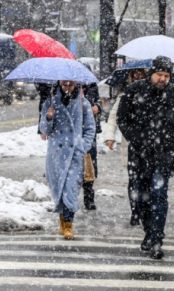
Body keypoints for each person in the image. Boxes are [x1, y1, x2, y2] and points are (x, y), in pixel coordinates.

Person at [117, 56, 174, 260]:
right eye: (160, 75)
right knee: (139, 196)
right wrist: (137, 138)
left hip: (163, 155)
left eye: (167, 76)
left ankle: (157, 239)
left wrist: (170, 145)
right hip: (139, 155)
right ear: (152, 73)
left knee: (159, 195)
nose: (163, 79)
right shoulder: (134, 91)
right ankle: (148, 231)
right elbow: (123, 118)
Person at [39, 80, 95, 240]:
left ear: (77, 85)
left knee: (70, 188)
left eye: (71, 85)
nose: (67, 88)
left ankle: (69, 224)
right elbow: (44, 130)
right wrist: (49, 117)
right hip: (56, 153)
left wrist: (83, 146)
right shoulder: (50, 103)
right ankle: (62, 221)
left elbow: (90, 128)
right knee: (58, 188)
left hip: (74, 154)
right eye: (64, 85)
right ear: (59, 85)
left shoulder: (83, 104)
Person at [104, 68, 148, 225]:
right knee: (134, 180)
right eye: (135, 77)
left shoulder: (154, 95)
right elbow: (114, 116)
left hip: (150, 146)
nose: (137, 80)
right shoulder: (125, 96)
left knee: (147, 181)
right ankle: (136, 211)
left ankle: (145, 210)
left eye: (141, 77)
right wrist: (110, 136)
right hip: (130, 144)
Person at [82, 81, 103, 210]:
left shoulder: (92, 87)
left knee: (89, 163)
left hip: (89, 130)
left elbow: (98, 101)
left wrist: (97, 107)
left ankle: (89, 196)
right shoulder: (66, 87)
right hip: (72, 131)